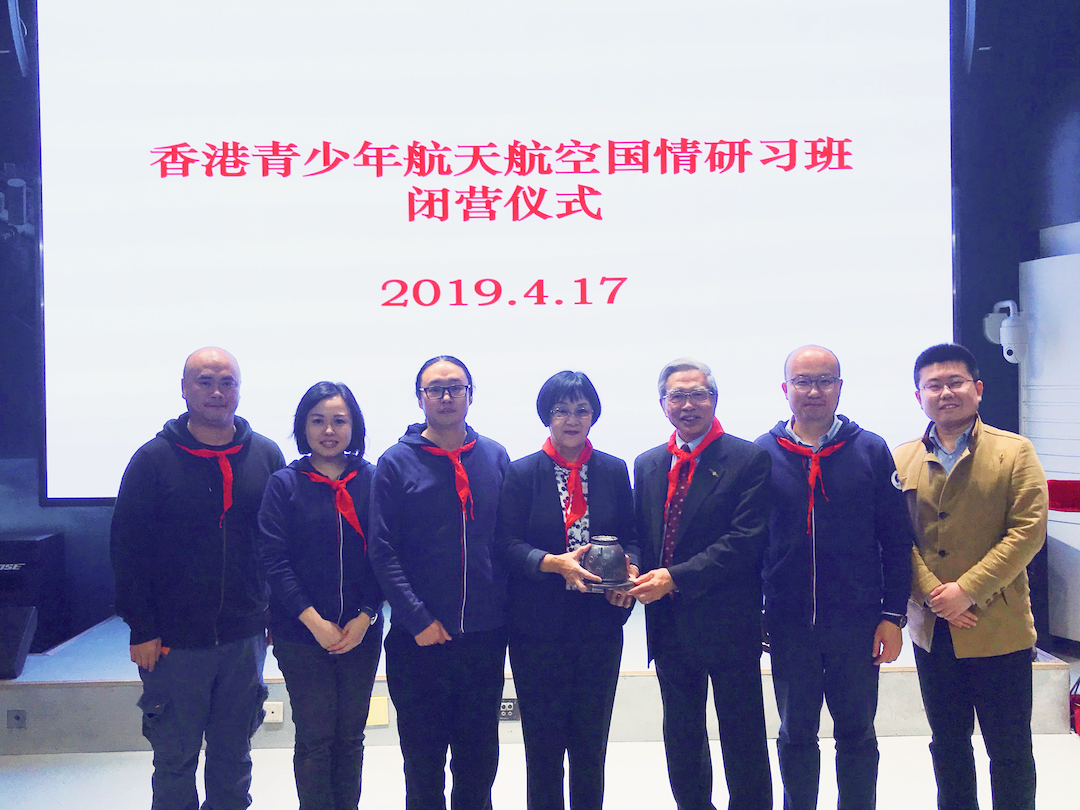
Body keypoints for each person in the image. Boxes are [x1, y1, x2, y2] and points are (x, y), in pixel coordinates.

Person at [110, 347, 285, 810]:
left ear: (239, 391)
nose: (217, 392)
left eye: (227, 382)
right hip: (173, 642)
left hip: (244, 638)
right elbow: (128, 550)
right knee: (175, 758)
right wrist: (142, 627)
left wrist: (274, 613)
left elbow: (278, 543)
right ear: (184, 389)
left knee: (234, 756)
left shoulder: (266, 455)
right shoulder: (152, 460)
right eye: (205, 381)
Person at [755, 345, 913, 810]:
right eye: (803, 381)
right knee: (795, 733)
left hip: (857, 625)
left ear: (840, 388)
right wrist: (756, 611)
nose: (814, 391)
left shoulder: (871, 449)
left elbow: (895, 538)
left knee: (857, 733)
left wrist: (892, 616)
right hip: (789, 624)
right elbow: (750, 543)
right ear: (785, 389)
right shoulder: (761, 453)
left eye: (825, 380)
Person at [894, 343, 1047, 810]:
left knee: (1010, 747)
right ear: (918, 396)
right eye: (933, 385)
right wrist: (933, 593)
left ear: (977, 389)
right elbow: (894, 537)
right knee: (947, 744)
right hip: (933, 629)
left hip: (998, 626)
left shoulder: (1014, 451)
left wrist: (967, 591)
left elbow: (1028, 531)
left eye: (955, 382)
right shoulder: (901, 458)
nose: (945, 392)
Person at [629, 357, 772, 810]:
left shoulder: (748, 458)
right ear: (662, 403)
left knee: (742, 733)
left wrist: (674, 578)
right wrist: (632, 567)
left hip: (729, 620)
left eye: (698, 394)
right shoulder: (649, 463)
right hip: (668, 623)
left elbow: (745, 540)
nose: (687, 404)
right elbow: (644, 535)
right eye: (677, 396)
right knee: (682, 732)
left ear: (714, 400)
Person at [368, 355, 510, 810]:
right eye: (435, 389)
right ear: (420, 398)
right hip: (418, 640)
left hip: (484, 638)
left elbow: (507, 541)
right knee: (423, 765)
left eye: (456, 387)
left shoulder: (494, 456)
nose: (446, 396)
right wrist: (417, 618)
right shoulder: (395, 462)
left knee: (478, 762)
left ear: (470, 394)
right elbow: (382, 550)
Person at [495, 370, 639, 810]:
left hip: (600, 627)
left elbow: (633, 537)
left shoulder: (613, 469)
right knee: (543, 747)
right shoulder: (522, 472)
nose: (572, 419)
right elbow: (505, 544)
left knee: (590, 746)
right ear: (547, 416)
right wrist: (551, 562)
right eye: (561, 410)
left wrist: (631, 569)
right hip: (536, 630)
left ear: (594, 415)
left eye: (581, 410)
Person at [257, 382, 383, 810]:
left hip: (361, 632)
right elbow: (274, 561)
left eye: (339, 421)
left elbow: (385, 553)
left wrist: (366, 616)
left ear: (354, 427)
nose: (329, 430)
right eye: (318, 421)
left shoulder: (372, 480)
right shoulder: (284, 484)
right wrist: (313, 621)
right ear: (303, 426)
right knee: (315, 738)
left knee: (351, 737)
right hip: (300, 634)